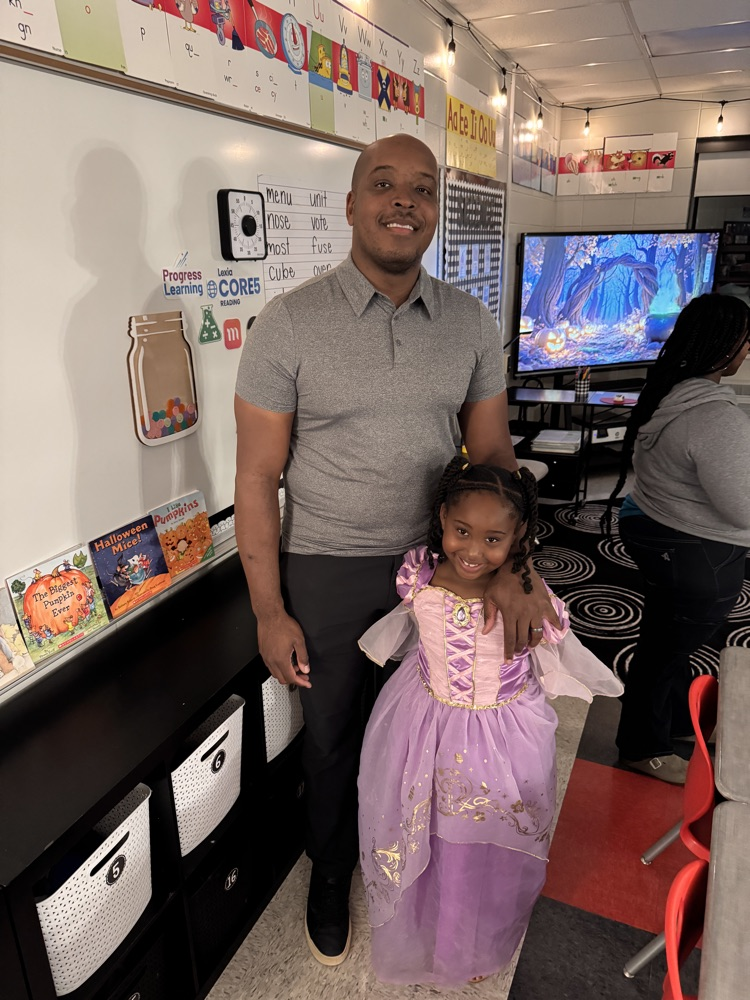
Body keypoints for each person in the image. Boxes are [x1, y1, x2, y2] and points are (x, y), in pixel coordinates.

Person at [233, 134, 559, 966]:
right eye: (384, 184)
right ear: (351, 204)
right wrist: (269, 610)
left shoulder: (468, 321)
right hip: (331, 567)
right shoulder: (289, 323)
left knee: (445, 735)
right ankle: (333, 872)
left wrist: (516, 569)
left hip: (449, 567)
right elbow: (256, 477)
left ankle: (421, 872)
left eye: (422, 189)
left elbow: (494, 463)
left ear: (434, 214)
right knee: (335, 736)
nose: (403, 200)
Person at [357, 458, 622, 986]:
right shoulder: (420, 575)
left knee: (484, 843)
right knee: (428, 833)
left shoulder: (527, 599)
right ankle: (427, 931)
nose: (473, 550)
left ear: (518, 535)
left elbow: (556, 651)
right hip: (422, 722)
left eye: (493, 538)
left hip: (501, 738)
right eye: (461, 532)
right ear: (441, 519)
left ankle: (478, 945)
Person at [602, 292, 750, 785]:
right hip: (693, 551)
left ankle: (669, 722)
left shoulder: (670, 389)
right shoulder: (712, 417)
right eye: (745, 341)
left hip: (660, 532)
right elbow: (743, 507)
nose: (748, 350)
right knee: (665, 651)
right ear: (724, 346)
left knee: (664, 641)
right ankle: (643, 746)